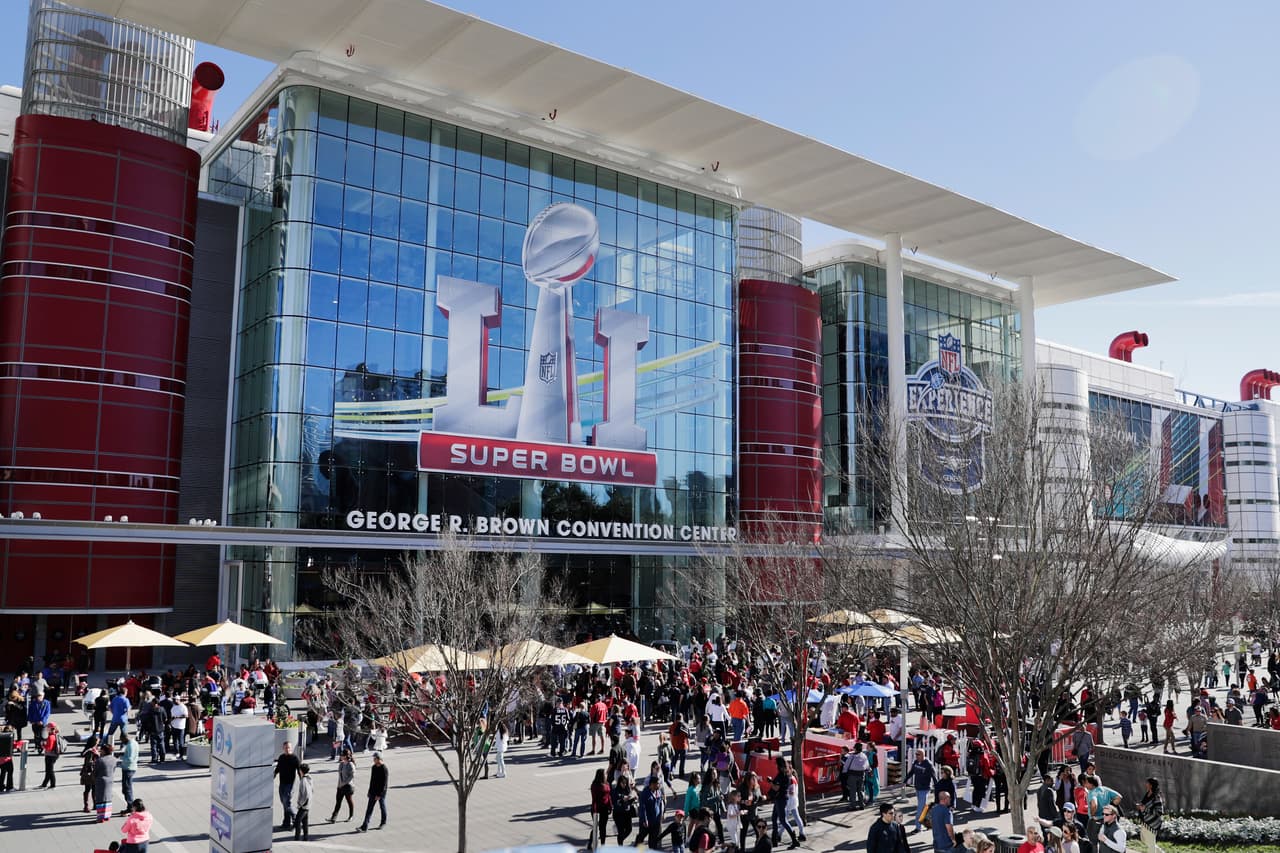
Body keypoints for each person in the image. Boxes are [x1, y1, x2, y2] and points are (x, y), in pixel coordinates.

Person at [1083, 775, 1121, 850]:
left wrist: (1093, 814)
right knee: (1105, 841)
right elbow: (1119, 797)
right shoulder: (1105, 789)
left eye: (1086, 783)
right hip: (1107, 820)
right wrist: (1110, 807)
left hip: (1095, 821)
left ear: (1092, 784)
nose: (1085, 785)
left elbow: (1094, 804)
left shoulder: (1092, 793)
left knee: (1093, 843)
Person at [356, 751, 389, 832]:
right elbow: (372, 780)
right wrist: (369, 791)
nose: (373, 760)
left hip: (381, 792)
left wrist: (379, 794)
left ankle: (383, 822)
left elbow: (384, 783)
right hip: (373, 791)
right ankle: (365, 826)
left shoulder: (384, 768)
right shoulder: (374, 767)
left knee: (382, 807)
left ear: (379, 759)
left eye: (375, 758)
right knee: (369, 809)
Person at [906, 749, 936, 834]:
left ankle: (918, 828)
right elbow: (911, 772)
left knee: (919, 809)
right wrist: (905, 781)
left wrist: (937, 787)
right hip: (918, 788)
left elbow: (934, 776)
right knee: (923, 808)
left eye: (918, 754)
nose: (916, 756)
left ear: (923, 755)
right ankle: (928, 823)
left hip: (925, 789)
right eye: (916, 754)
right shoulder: (915, 762)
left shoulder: (928, 764)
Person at [274, 740, 300, 830]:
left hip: (290, 784)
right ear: (283, 749)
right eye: (285, 748)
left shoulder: (295, 758)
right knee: (284, 803)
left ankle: (295, 818)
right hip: (282, 784)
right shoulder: (281, 757)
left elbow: (299, 770)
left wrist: (302, 780)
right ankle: (286, 823)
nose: (287, 749)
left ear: (291, 748)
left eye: (289, 747)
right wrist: (273, 775)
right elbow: (278, 768)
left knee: (286, 802)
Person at [1134, 777, 1164, 853]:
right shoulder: (1147, 794)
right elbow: (1144, 805)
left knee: (1151, 844)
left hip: (1152, 823)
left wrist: (1145, 809)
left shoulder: (1156, 797)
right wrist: (1140, 806)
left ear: (1151, 785)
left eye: (1147, 783)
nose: (1145, 784)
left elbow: (1159, 812)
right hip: (1145, 821)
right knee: (1144, 839)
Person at [637, 775, 666, 848]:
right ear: (652, 784)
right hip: (646, 822)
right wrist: (645, 820)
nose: (659, 785)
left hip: (656, 821)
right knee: (641, 838)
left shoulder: (658, 792)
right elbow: (642, 808)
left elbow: (661, 804)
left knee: (653, 841)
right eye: (658, 783)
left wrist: (662, 814)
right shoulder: (645, 793)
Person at [328, 749, 355, 822]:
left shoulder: (350, 764)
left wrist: (343, 783)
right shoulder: (341, 764)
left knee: (349, 801)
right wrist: (339, 785)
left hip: (348, 786)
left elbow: (351, 776)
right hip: (340, 786)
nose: (341, 756)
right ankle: (333, 817)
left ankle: (351, 816)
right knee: (338, 802)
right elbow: (340, 776)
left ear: (346, 756)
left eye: (342, 755)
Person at [93, 741, 117, 822]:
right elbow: (113, 770)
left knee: (100, 799)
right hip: (110, 779)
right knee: (108, 798)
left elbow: (95, 772)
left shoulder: (100, 760)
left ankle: (100, 817)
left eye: (101, 750)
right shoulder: (114, 759)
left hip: (101, 781)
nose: (100, 751)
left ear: (104, 751)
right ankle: (107, 815)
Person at [612, 773, 637, 845]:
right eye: (623, 783)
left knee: (629, 829)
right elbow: (617, 802)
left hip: (627, 813)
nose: (624, 785)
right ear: (619, 783)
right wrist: (624, 799)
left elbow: (628, 802)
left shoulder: (627, 790)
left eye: (625, 783)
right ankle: (620, 845)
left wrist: (633, 799)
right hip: (618, 814)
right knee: (621, 831)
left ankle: (620, 839)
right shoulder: (615, 791)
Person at [590, 767, 612, 848]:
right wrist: (595, 811)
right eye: (604, 774)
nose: (606, 775)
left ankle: (603, 845)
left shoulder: (607, 783)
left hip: (605, 809)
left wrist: (610, 806)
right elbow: (594, 799)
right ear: (600, 775)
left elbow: (609, 796)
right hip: (597, 809)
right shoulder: (595, 785)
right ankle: (591, 842)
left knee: (603, 827)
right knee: (596, 827)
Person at [38, 722, 61, 788]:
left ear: (50, 729)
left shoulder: (51, 737)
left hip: (50, 755)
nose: (46, 729)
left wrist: (43, 745)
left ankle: (53, 785)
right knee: (48, 770)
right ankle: (44, 784)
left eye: (47, 728)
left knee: (50, 770)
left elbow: (49, 748)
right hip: (53, 755)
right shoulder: (55, 735)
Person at [294, 763, 313, 841]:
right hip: (308, 804)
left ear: (301, 771)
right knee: (305, 821)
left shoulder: (303, 780)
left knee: (297, 821)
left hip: (304, 805)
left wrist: (300, 804)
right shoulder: (309, 778)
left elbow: (306, 794)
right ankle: (305, 837)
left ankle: (297, 838)